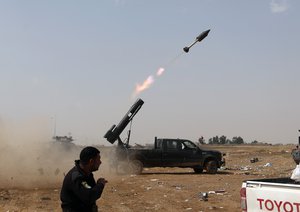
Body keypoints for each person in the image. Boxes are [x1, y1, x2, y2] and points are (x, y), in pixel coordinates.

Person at [60, 146, 107, 212]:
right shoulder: (77, 177)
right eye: (98, 159)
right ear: (91, 161)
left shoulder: (86, 173)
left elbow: (89, 189)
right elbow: (89, 196)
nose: (100, 162)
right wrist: (100, 184)